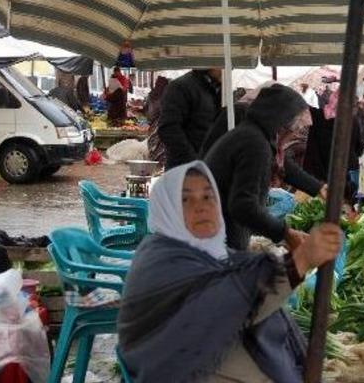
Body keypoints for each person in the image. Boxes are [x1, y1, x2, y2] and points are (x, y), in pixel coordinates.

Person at [117, 161, 342, 382]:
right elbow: (225, 302)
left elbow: (238, 285)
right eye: (186, 200)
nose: (201, 207)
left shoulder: (205, 252)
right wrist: (300, 261)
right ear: (167, 211)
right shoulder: (163, 262)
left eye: (208, 197)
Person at [205, 84, 325, 251]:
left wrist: (318, 188)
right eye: (295, 127)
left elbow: (284, 166)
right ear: (281, 122)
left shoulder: (253, 135)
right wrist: (285, 233)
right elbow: (243, 205)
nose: (295, 133)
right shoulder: (255, 144)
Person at [303, 88, 364, 200]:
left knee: (318, 202)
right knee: (343, 204)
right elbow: (359, 148)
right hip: (344, 174)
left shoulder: (315, 116)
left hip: (317, 174)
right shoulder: (353, 121)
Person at [158, 69, 222, 169]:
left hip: (210, 167)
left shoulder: (219, 89)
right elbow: (168, 129)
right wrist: (194, 162)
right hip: (185, 170)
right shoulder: (180, 87)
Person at [144, 76, 169, 167]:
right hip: (160, 122)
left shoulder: (151, 94)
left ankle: (154, 159)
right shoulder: (166, 95)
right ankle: (159, 162)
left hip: (153, 123)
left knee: (153, 143)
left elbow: (146, 108)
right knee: (160, 144)